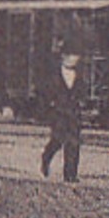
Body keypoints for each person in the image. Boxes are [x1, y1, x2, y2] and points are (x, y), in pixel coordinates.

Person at [41, 50, 83, 184]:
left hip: (74, 114)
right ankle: (46, 157)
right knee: (57, 140)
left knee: (74, 143)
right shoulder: (53, 75)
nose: (75, 59)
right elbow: (46, 93)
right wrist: (50, 107)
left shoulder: (79, 75)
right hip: (58, 113)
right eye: (73, 55)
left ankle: (70, 174)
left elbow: (82, 91)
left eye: (77, 56)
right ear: (64, 57)